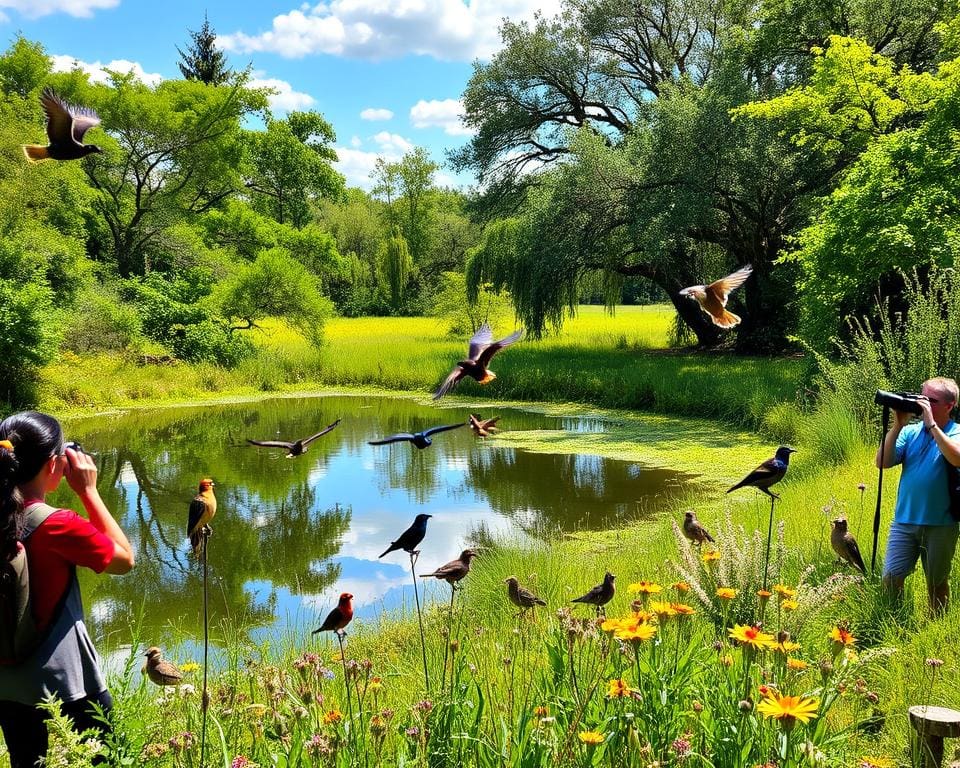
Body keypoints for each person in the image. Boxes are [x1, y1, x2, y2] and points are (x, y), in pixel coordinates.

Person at [0, 411, 135, 768]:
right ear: (53, 464)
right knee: (110, 759)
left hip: (6, 682)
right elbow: (124, 560)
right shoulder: (57, 524)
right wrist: (89, 491)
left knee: (26, 762)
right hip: (64, 680)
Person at [876, 377, 960, 615]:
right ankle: (894, 622)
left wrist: (932, 426)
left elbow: (956, 458)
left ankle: (936, 626)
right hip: (904, 522)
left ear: (949, 405)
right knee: (891, 578)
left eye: (930, 400)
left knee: (937, 583)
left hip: (942, 524)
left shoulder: (956, 432)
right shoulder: (910, 432)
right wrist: (897, 426)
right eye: (920, 397)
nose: (922, 403)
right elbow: (881, 462)